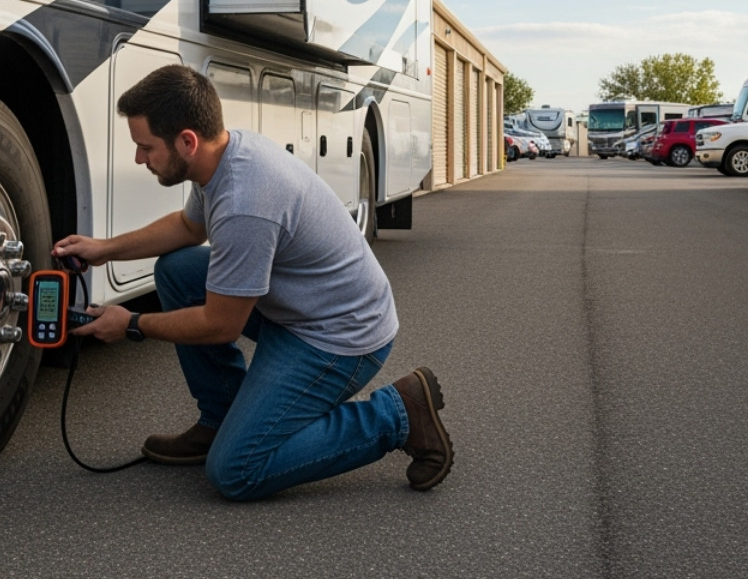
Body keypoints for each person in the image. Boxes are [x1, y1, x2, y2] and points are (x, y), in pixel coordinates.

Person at [52, 64, 454, 501]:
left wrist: (131, 324)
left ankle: (398, 414)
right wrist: (104, 248)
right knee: (177, 270)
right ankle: (220, 417)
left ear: (187, 141)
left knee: (236, 470)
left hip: (340, 338)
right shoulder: (224, 156)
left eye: (145, 147)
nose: (139, 158)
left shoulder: (247, 199)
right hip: (301, 309)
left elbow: (220, 325)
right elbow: (189, 228)